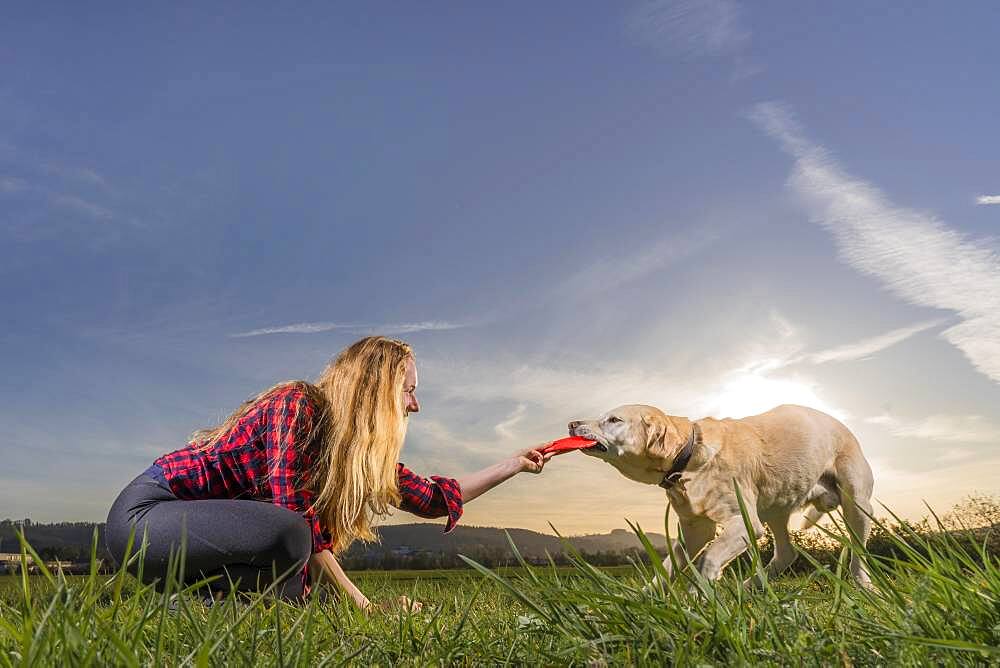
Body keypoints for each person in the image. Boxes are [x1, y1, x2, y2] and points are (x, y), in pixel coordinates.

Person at [105, 336, 552, 610]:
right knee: (295, 538)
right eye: (409, 390)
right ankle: (202, 600)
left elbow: (434, 499)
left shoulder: (352, 454)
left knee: (297, 585)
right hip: (148, 519)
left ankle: (192, 605)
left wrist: (513, 463)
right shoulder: (296, 404)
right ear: (375, 388)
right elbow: (293, 518)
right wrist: (365, 606)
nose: (415, 405)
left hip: (197, 545)